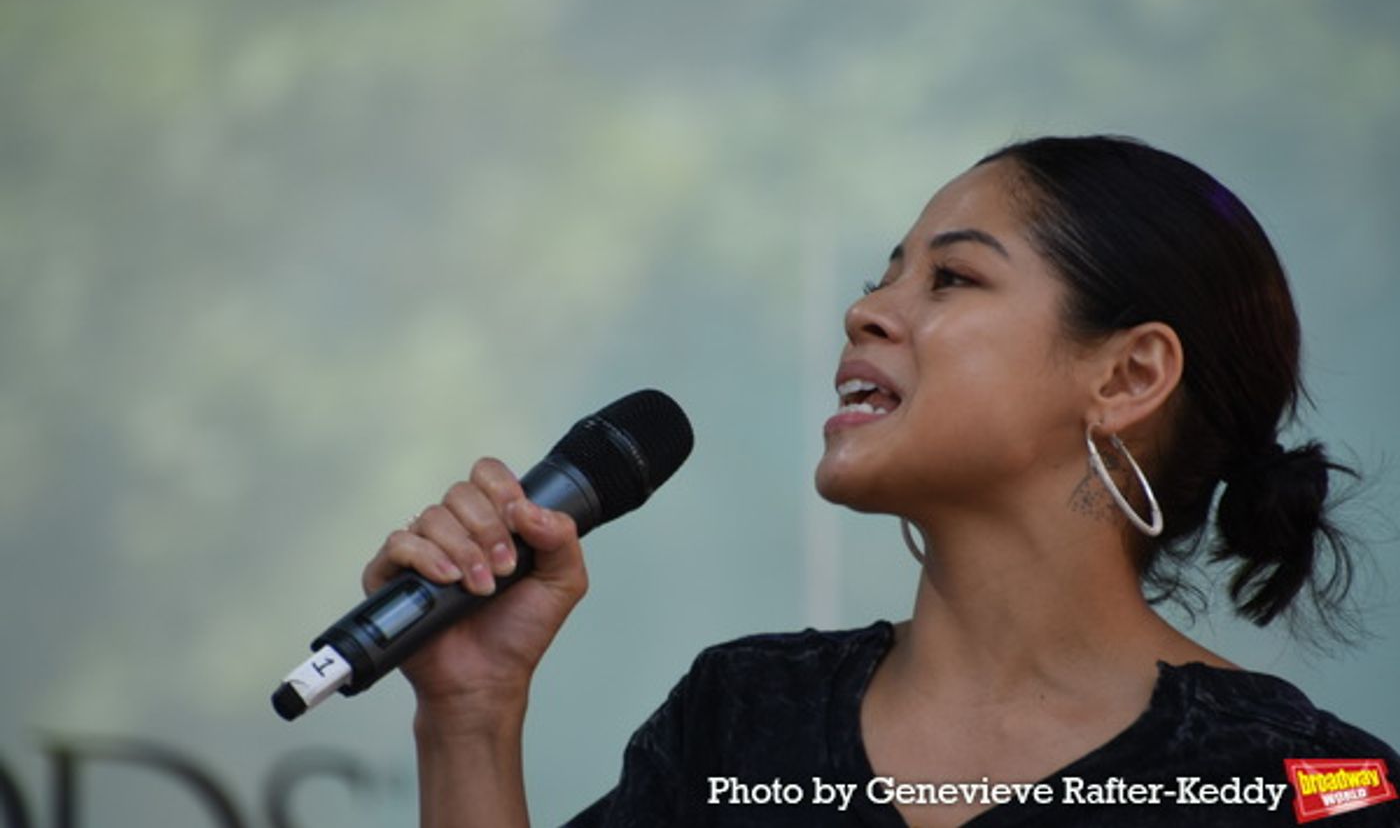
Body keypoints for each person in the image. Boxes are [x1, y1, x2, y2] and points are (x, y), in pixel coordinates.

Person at [363, 135, 1400, 827]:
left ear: (1127, 374)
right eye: (880, 277)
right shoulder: (742, 713)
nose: (866, 313)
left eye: (950, 278)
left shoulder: (1308, 785)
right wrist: (471, 715)